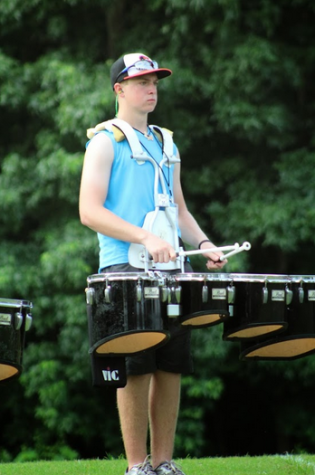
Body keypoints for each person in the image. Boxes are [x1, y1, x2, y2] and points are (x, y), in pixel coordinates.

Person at [79, 52, 226, 475]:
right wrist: (145, 237)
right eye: (142, 82)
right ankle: (135, 465)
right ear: (119, 89)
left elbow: (179, 210)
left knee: (171, 365)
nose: (152, 88)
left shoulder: (166, 142)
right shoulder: (105, 141)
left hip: (171, 269)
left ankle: (163, 462)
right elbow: (89, 211)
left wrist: (203, 242)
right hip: (123, 269)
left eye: (156, 81)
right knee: (136, 365)